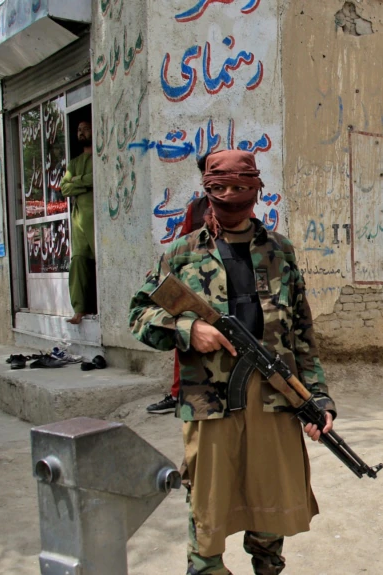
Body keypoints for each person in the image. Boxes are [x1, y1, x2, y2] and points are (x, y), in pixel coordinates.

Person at [129, 150, 334, 574]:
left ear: (257, 189)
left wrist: (318, 398)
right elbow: (139, 316)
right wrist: (188, 330)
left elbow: (302, 332)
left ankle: (267, 567)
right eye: (219, 187)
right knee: (209, 511)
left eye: (240, 186)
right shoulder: (183, 253)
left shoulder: (280, 251)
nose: (230, 195)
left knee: (270, 507)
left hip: (275, 398)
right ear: (206, 190)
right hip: (210, 402)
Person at [147, 159, 211, 414]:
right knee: (184, 334)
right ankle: (178, 394)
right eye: (207, 173)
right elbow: (182, 245)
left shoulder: (240, 206)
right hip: (196, 285)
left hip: (229, 288)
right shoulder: (196, 208)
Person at [61, 120, 96, 325]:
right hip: (79, 221)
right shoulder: (73, 163)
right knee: (79, 261)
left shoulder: (98, 157)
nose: (82, 133)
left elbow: (97, 177)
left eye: (86, 129)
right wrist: (84, 181)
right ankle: (79, 310)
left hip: (96, 219)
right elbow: (64, 188)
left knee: (100, 263)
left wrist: (77, 180)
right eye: (79, 130)